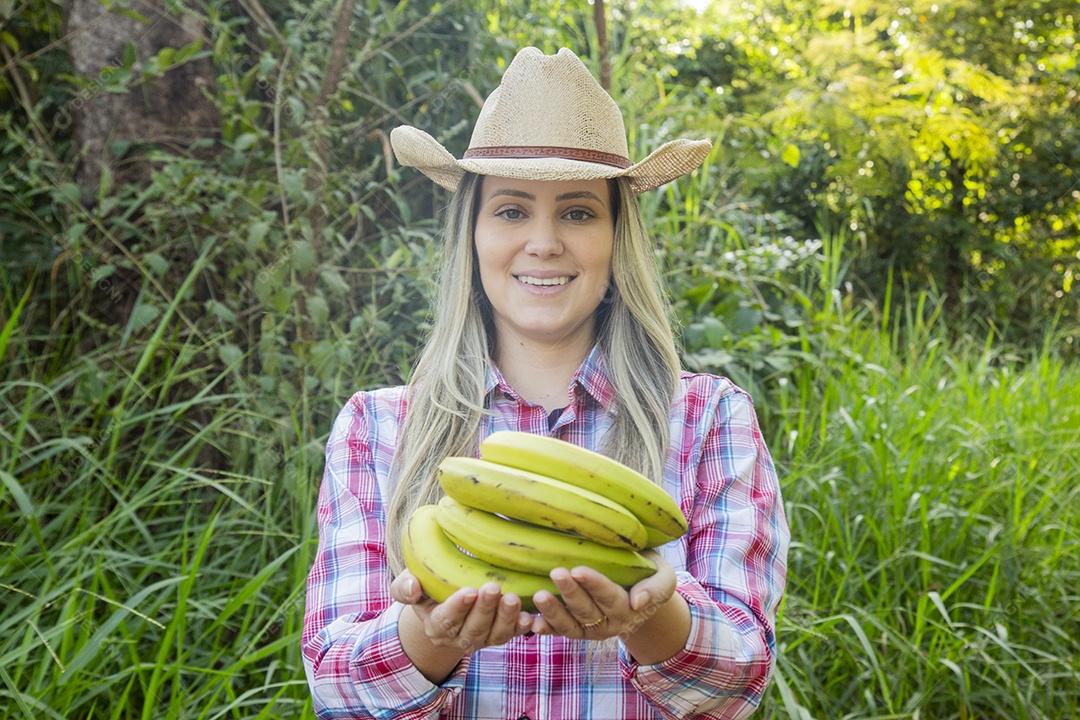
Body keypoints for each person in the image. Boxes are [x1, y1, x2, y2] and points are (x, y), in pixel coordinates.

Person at [302, 46, 790, 720]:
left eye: (578, 212)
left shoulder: (710, 420)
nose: (544, 242)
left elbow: (739, 686)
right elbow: (336, 690)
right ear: (470, 233)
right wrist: (431, 636)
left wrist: (647, 617)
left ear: (619, 236)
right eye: (510, 210)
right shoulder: (378, 428)